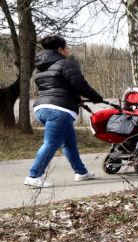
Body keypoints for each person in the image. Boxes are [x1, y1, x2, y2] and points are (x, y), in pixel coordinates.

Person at [24, 35, 104, 188]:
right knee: (51, 143)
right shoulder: (66, 63)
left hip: (41, 108)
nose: (68, 50)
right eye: (66, 47)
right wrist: (97, 98)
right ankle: (34, 175)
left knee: (69, 143)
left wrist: (76, 98)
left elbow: (61, 85)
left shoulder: (41, 68)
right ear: (59, 49)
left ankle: (81, 172)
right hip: (59, 110)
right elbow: (79, 83)